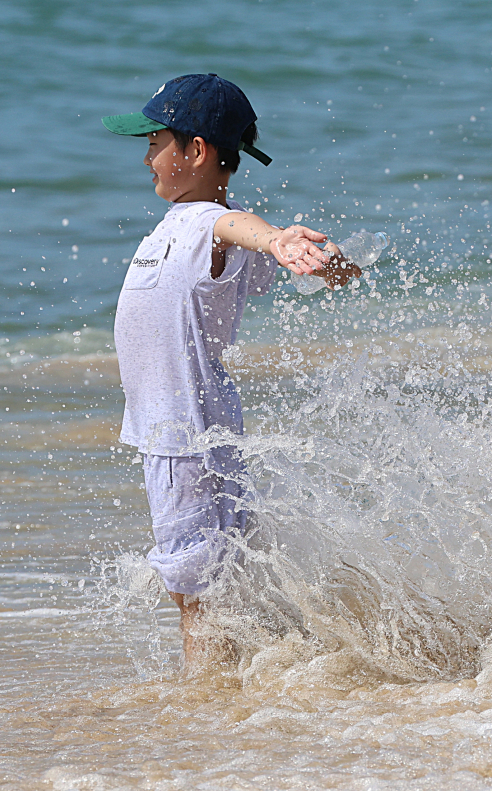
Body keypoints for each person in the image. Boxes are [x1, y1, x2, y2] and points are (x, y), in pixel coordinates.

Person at [102, 73, 361, 667]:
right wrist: (322, 263)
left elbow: (235, 226)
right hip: (196, 426)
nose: (146, 158)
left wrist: (275, 241)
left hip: (182, 432)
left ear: (195, 152)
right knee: (215, 572)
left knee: (193, 585)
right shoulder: (180, 228)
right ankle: (264, 671)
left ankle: (207, 694)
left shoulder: (203, 224)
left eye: (154, 143)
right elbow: (243, 238)